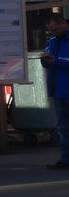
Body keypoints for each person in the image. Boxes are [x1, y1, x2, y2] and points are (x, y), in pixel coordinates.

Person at [40, 13, 69, 170]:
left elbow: (60, 62)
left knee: (64, 127)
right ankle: (65, 160)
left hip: (65, 87)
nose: (54, 33)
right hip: (59, 91)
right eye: (51, 31)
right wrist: (45, 60)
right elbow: (48, 59)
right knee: (63, 128)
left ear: (63, 23)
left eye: (56, 29)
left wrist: (56, 62)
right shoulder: (52, 42)